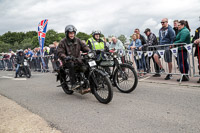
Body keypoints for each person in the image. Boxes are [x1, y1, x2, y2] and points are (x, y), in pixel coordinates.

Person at [57, 25, 90, 92]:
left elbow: (84, 46)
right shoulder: (63, 42)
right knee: (71, 65)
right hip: (67, 61)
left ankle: (87, 81)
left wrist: (89, 51)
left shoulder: (78, 40)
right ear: (67, 33)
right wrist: (65, 57)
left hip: (78, 59)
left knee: (87, 64)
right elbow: (60, 52)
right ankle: (73, 84)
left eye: (73, 33)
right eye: (70, 33)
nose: (72, 35)